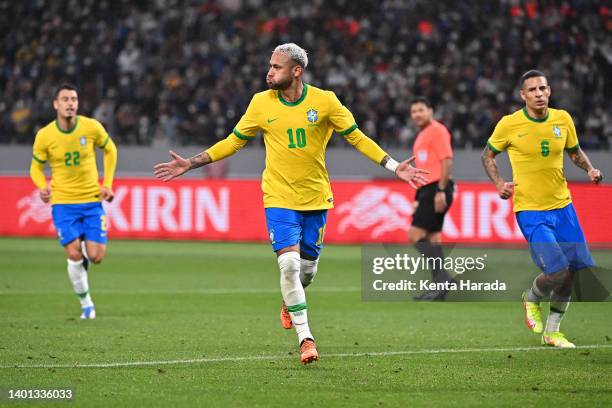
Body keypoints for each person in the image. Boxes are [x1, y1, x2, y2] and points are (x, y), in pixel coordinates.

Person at [154, 43, 429, 364]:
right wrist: (192, 162)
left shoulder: (325, 102)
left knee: (306, 273)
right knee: (289, 265)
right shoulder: (260, 103)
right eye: (269, 66)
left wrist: (395, 167)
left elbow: (357, 137)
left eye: (277, 67)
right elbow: (233, 142)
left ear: (296, 71)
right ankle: (306, 340)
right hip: (278, 197)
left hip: (315, 198)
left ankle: (290, 299)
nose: (269, 72)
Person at [481, 70, 603, 348]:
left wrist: (589, 169)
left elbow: (574, 151)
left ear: (549, 91)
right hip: (531, 209)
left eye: (543, 88)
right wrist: (499, 182)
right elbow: (487, 154)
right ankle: (532, 298)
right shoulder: (510, 124)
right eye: (532, 90)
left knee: (572, 271)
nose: (538, 93)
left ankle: (553, 332)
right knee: (558, 270)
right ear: (522, 95)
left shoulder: (563, 119)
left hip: (563, 206)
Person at [29, 84, 118, 320]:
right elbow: (35, 167)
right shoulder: (45, 135)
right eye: (65, 99)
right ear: (56, 104)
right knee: (74, 253)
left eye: (74, 99)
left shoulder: (91, 127)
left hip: (91, 201)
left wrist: (107, 184)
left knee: (96, 256)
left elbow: (110, 150)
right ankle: (86, 303)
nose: (70, 103)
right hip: (63, 203)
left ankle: (83, 253)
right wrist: (42, 186)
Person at [408, 97, 455, 301]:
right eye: (414, 111)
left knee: (415, 235)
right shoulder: (422, 135)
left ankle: (442, 278)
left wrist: (441, 191)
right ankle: (439, 286)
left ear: (431, 111)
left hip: (437, 188)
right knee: (433, 238)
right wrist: (418, 196)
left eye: (421, 110)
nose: (417, 114)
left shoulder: (437, 130)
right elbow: (424, 169)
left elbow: (447, 160)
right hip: (427, 189)